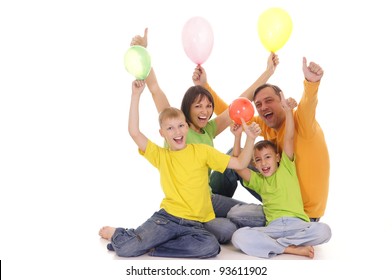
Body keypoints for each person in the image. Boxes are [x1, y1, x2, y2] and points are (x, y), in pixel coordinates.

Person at [130, 28, 279, 242]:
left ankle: (276, 207)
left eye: (208, 106)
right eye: (198, 106)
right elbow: (155, 88)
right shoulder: (176, 126)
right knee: (226, 229)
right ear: (186, 108)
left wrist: (268, 73)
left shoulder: (209, 128)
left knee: (237, 171)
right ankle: (192, 226)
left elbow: (240, 102)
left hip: (207, 195)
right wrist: (142, 50)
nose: (205, 111)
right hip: (187, 201)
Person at [98, 79, 261, 258]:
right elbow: (134, 132)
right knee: (125, 249)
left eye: (181, 126)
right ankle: (122, 235)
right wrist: (136, 95)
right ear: (163, 133)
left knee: (210, 247)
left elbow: (239, 164)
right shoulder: (161, 155)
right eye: (170, 128)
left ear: (187, 127)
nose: (177, 132)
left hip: (196, 224)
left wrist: (250, 138)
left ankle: (153, 247)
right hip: (168, 219)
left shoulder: (203, 151)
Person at [202, 57, 329, 221]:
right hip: (279, 197)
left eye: (269, 101)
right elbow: (233, 114)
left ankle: (207, 208)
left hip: (301, 214)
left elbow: (308, 103)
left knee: (237, 214)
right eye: (259, 105)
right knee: (235, 157)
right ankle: (204, 205)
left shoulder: (301, 121)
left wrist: (311, 82)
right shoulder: (265, 124)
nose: (263, 107)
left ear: (281, 101)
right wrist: (205, 86)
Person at [230, 90, 331, 259]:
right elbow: (238, 166)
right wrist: (238, 136)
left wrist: (288, 112)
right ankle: (289, 248)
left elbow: (289, 138)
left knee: (325, 231)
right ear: (254, 164)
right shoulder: (259, 181)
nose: (263, 163)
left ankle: (277, 245)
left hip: (298, 224)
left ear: (278, 157)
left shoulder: (287, 168)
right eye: (259, 160)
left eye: (268, 157)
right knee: (238, 237)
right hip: (274, 227)